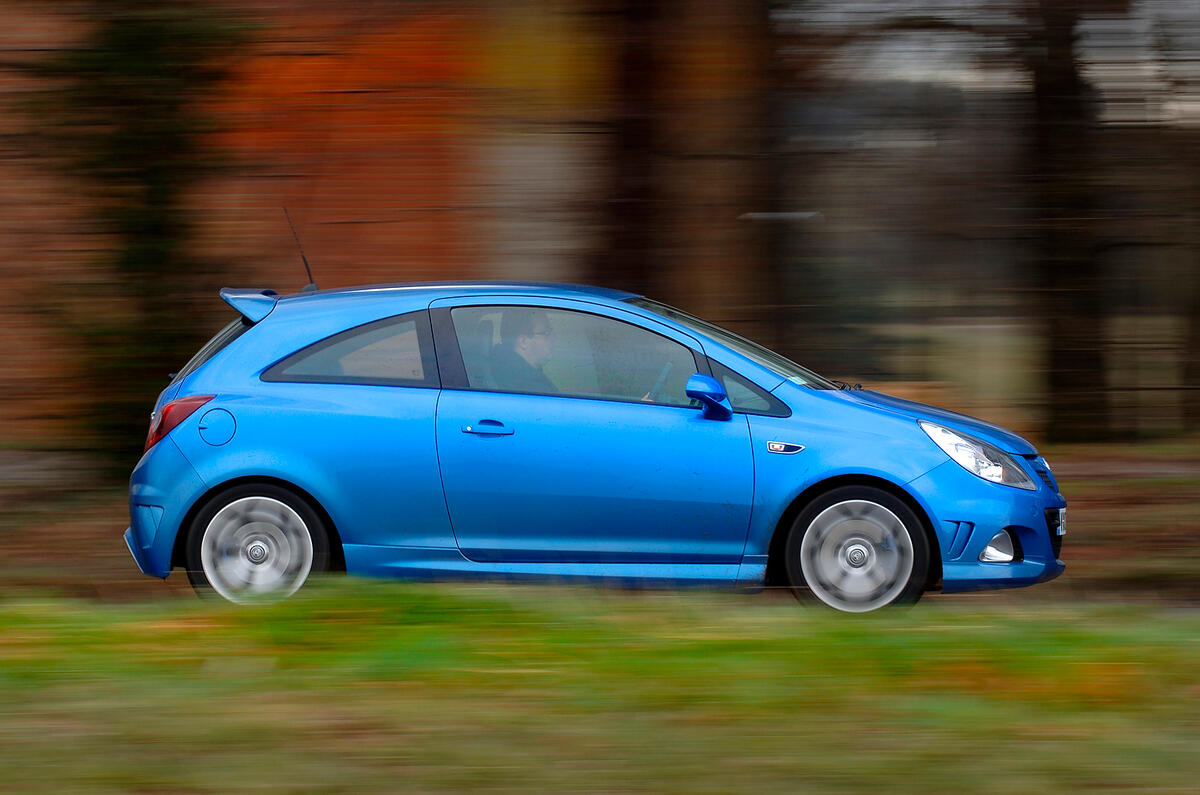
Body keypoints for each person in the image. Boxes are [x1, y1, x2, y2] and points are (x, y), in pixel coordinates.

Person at [491, 308, 558, 393]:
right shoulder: (530, 387)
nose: (554, 337)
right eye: (546, 333)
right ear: (523, 341)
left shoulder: (501, 368)